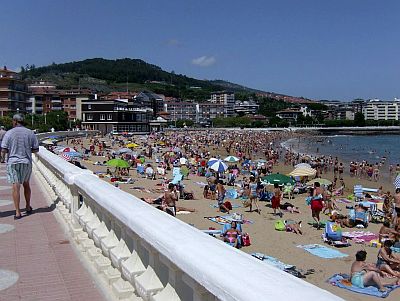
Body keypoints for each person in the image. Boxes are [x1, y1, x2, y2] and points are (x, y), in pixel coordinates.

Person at [1, 114, 39, 219]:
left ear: (15, 121)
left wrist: (2, 158)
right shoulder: (30, 133)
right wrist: (27, 150)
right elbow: (36, 149)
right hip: (26, 161)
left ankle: (17, 212)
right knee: (26, 184)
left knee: (15, 186)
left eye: (13, 121)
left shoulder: (9, 133)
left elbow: (3, 149)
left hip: (13, 162)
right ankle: (27, 206)